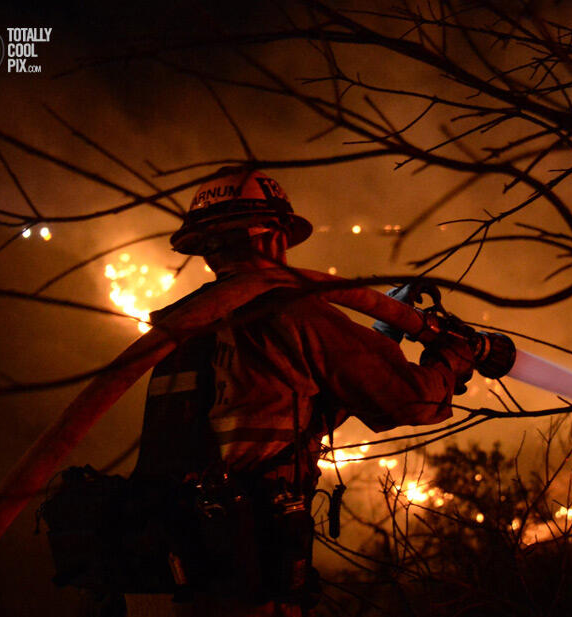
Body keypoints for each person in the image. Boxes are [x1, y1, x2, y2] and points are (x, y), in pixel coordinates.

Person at [123, 167, 475, 617]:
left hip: (179, 570)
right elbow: (411, 400)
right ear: (274, 237)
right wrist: (451, 360)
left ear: (207, 249)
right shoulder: (291, 311)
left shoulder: (182, 326)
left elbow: (297, 409)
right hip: (248, 576)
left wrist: (384, 331)